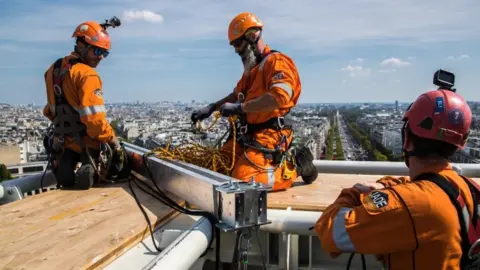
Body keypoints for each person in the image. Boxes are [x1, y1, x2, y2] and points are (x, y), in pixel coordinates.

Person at [313, 88, 480, 269]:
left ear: (407, 139)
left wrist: (354, 193)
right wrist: (388, 185)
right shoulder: (471, 189)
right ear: (458, 146)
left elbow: (330, 232)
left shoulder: (408, 205)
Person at [190, 12, 318, 191]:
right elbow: (235, 95)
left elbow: (278, 97)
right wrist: (212, 107)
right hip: (247, 135)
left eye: (238, 44)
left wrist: (240, 108)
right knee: (217, 167)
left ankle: (296, 165)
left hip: (270, 134)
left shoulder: (277, 63)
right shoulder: (251, 71)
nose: (236, 50)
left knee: (244, 180)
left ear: (252, 36)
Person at [42, 18, 127, 190]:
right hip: (88, 145)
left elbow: (49, 111)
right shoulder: (88, 75)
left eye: (105, 53)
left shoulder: (52, 70)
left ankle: (67, 170)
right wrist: (114, 141)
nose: (101, 57)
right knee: (115, 168)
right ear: (81, 46)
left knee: (66, 179)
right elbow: (94, 121)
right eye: (97, 51)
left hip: (63, 143)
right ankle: (89, 169)